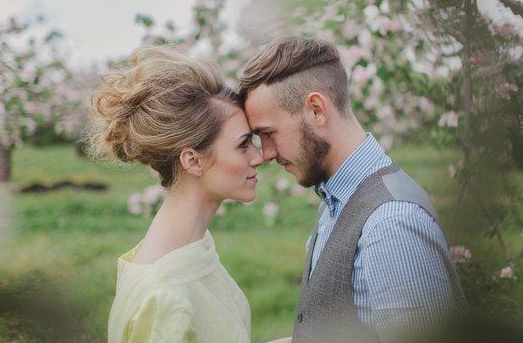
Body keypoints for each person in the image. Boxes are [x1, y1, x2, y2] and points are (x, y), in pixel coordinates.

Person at [239, 36, 467, 343]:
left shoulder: (390, 224)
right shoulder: (336, 200)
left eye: (269, 134)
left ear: (316, 110)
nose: (265, 153)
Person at [90, 45, 263, 343]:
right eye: (243, 144)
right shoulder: (166, 298)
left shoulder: (192, 250)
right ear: (193, 161)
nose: (259, 157)